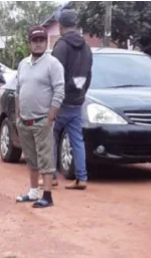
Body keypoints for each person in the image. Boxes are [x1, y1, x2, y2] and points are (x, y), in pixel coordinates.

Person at [15, 26, 65, 209]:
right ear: (29, 43)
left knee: (46, 159)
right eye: (34, 41)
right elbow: (18, 90)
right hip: (25, 120)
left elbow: (59, 90)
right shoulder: (23, 64)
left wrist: (51, 116)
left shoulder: (53, 64)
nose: (38, 44)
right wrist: (18, 114)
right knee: (30, 158)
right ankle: (33, 191)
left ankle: (47, 195)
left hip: (42, 119)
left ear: (46, 42)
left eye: (41, 40)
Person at [51, 9, 93, 190]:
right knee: (77, 139)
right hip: (77, 99)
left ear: (60, 25)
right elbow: (89, 74)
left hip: (60, 101)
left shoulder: (61, 46)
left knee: (50, 137)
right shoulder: (87, 47)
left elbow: (54, 74)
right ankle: (81, 178)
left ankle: (51, 176)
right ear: (76, 25)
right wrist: (81, 93)